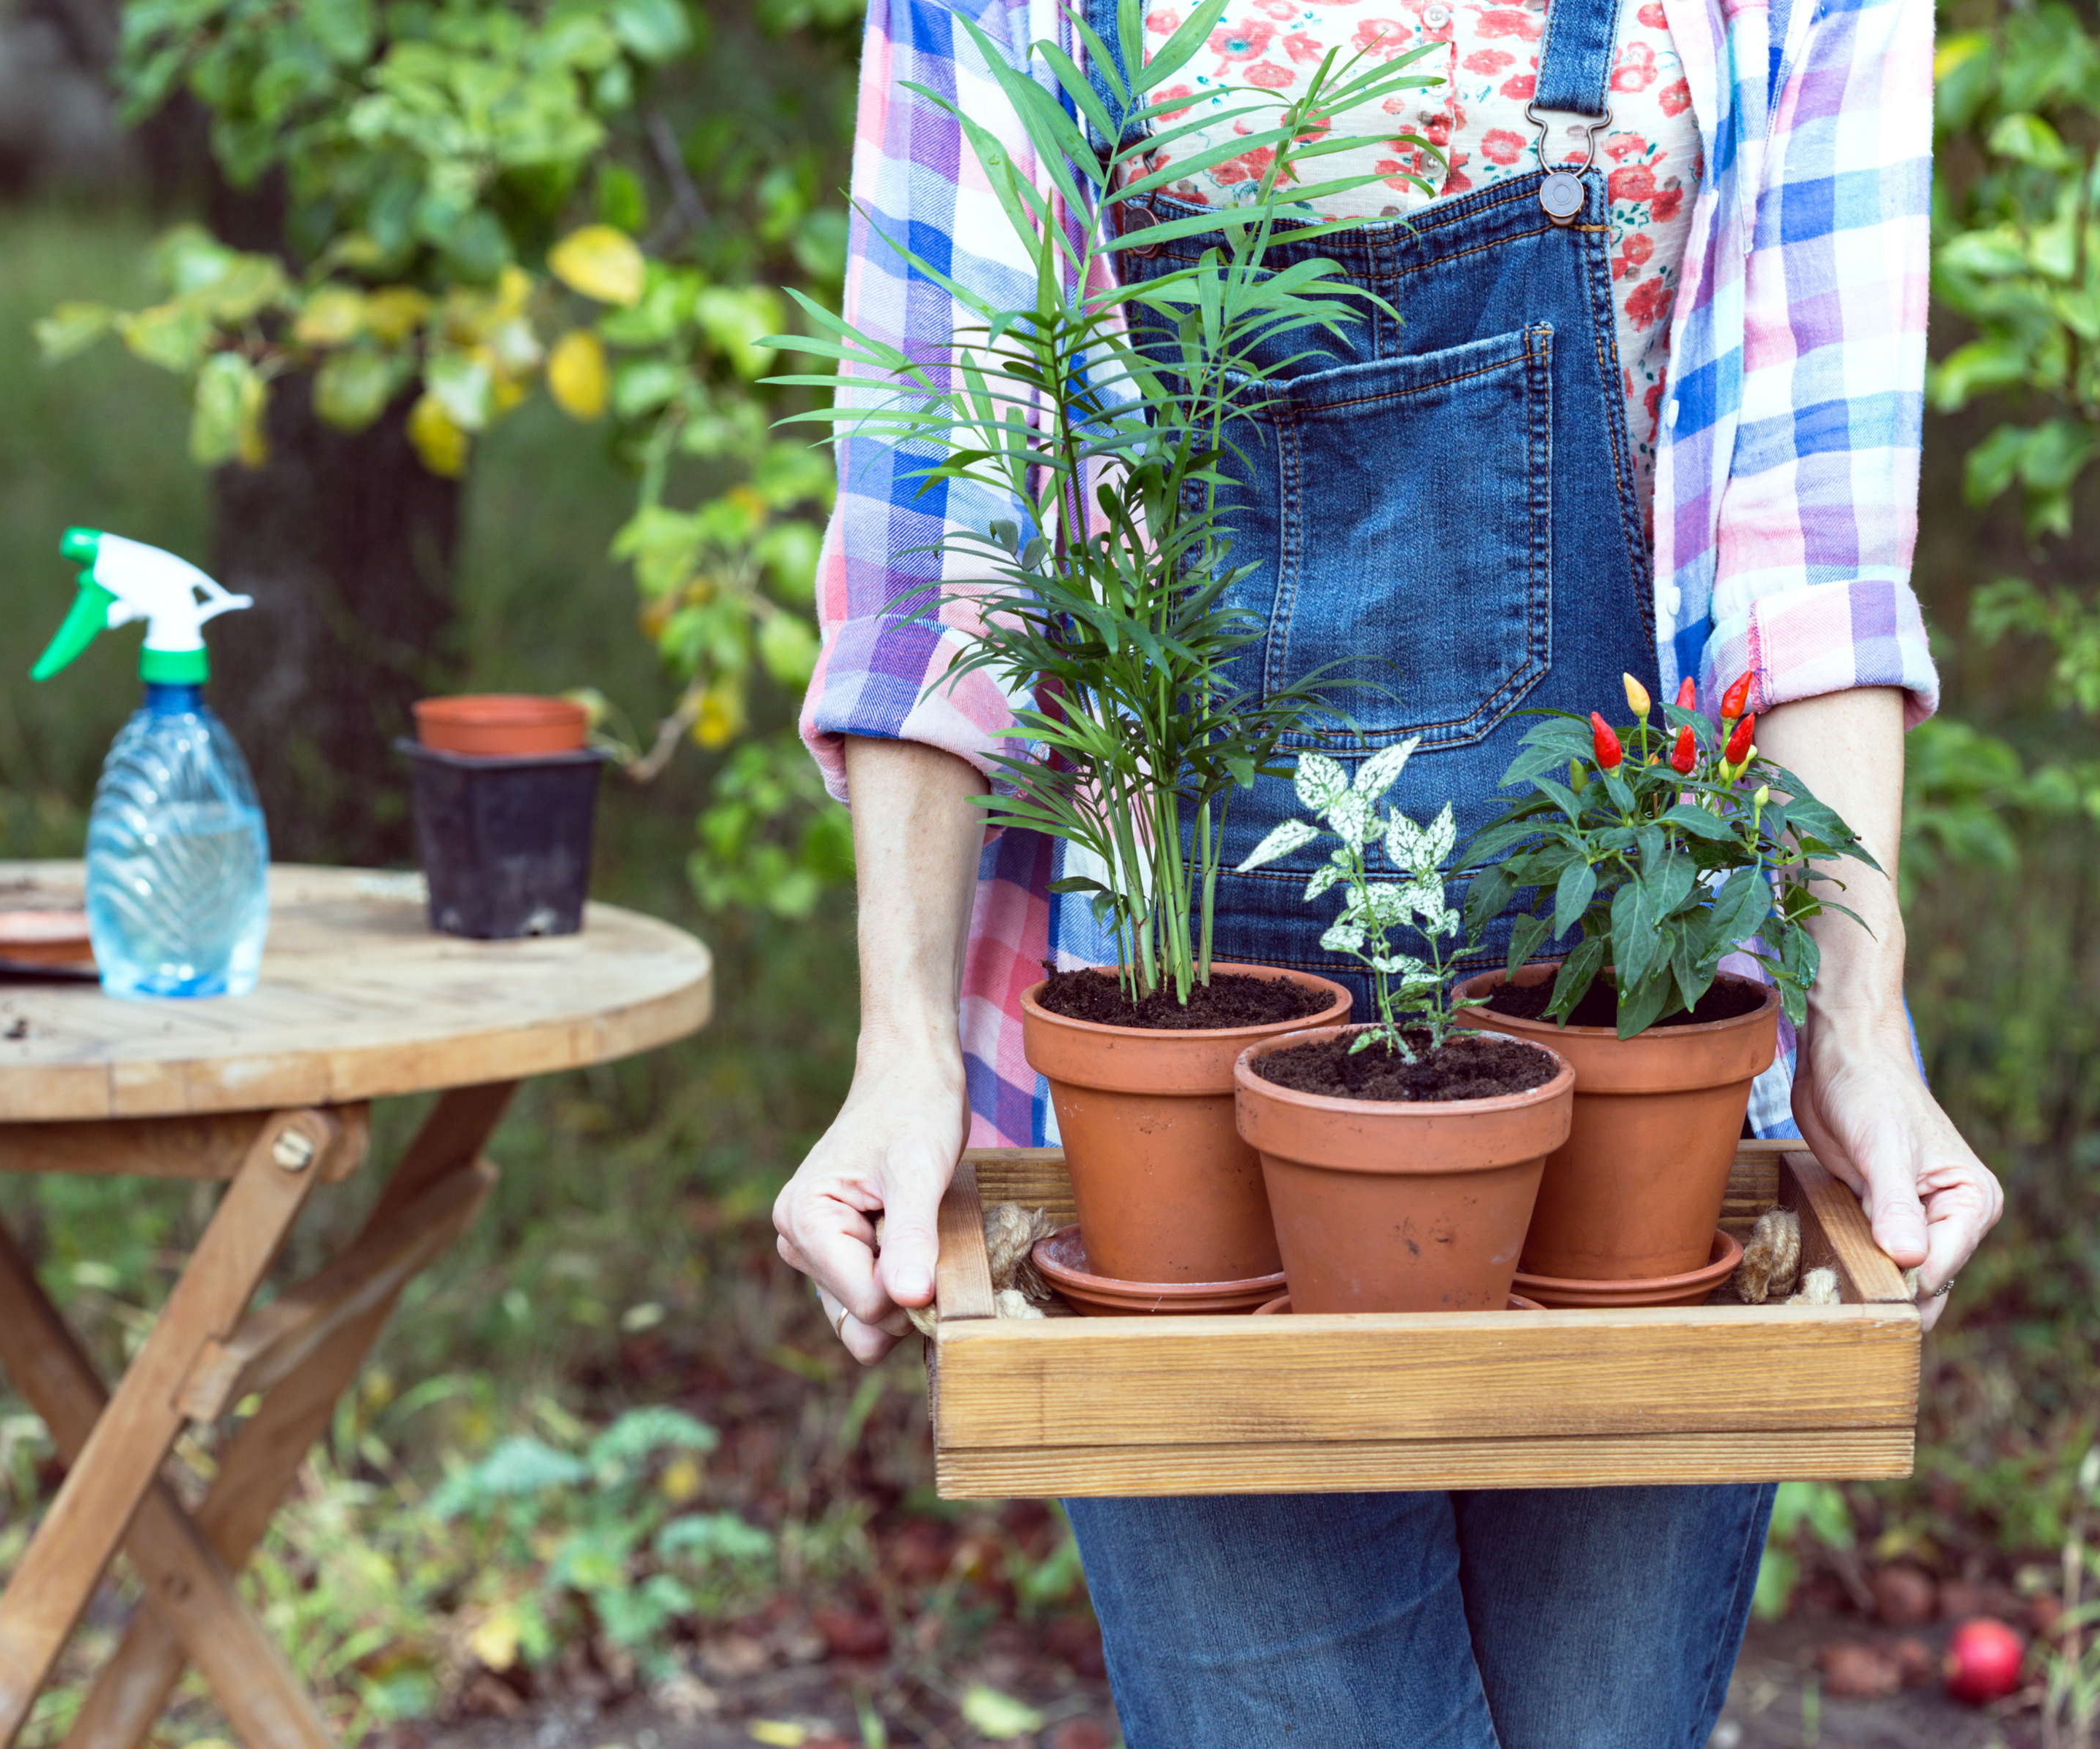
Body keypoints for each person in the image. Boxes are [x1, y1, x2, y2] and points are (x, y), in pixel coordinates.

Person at [772, 0, 2007, 1742]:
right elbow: (939, 540)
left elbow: (1815, 537)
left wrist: (1862, 1027)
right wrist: (900, 1044)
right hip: (1183, 1056)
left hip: (1628, 1032)